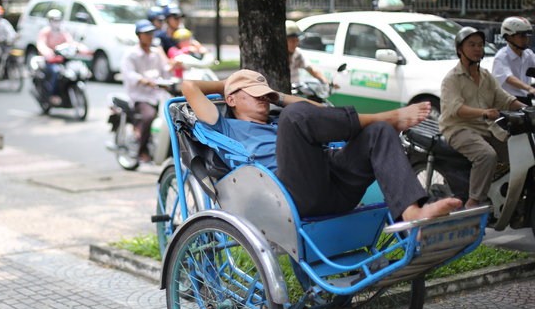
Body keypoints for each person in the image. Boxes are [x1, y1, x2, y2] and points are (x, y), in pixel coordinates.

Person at [181, 70, 462, 223]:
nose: (263, 99)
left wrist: (277, 96)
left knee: (378, 131)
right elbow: (189, 86)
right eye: (255, 95)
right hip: (285, 195)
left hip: (333, 184)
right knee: (297, 115)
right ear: (231, 100)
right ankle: (383, 116)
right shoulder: (224, 125)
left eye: (266, 95)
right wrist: (230, 82)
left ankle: (412, 211)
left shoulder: (281, 121)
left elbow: (317, 109)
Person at [439, 26, 527, 209]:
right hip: (458, 128)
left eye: (480, 45)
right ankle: (474, 201)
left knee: (519, 151)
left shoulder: (486, 75)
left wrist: (528, 109)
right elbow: (457, 109)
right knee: (486, 155)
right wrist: (484, 112)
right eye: (472, 45)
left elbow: (506, 100)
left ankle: (510, 194)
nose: (478, 49)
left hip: (486, 128)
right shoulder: (451, 79)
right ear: (459, 49)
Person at [120, 19, 172, 163]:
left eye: (151, 33)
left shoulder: (155, 54)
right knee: (149, 116)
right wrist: (143, 80)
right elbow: (128, 74)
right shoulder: (131, 54)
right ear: (139, 35)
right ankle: (142, 151)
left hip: (158, 96)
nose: (150, 36)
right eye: (146, 33)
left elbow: (165, 72)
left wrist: (173, 71)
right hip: (140, 97)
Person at [36, 8, 87, 105]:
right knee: (56, 71)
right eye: (54, 20)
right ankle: (53, 95)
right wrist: (48, 52)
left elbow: (70, 42)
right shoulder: (45, 32)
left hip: (62, 59)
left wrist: (80, 48)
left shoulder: (62, 32)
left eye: (58, 20)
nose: (56, 22)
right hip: (50, 61)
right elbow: (41, 45)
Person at [491, 16, 535, 105]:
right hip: (507, 102)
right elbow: (509, 78)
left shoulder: (528, 54)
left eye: (527, 36)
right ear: (509, 37)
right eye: (522, 36)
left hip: (526, 100)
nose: (526, 40)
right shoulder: (502, 57)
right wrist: (529, 88)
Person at [286, 20, 334, 87]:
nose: (295, 44)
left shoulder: (297, 54)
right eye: (292, 41)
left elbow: (311, 70)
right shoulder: (275, 59)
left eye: (296, 40)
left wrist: (326, 82)